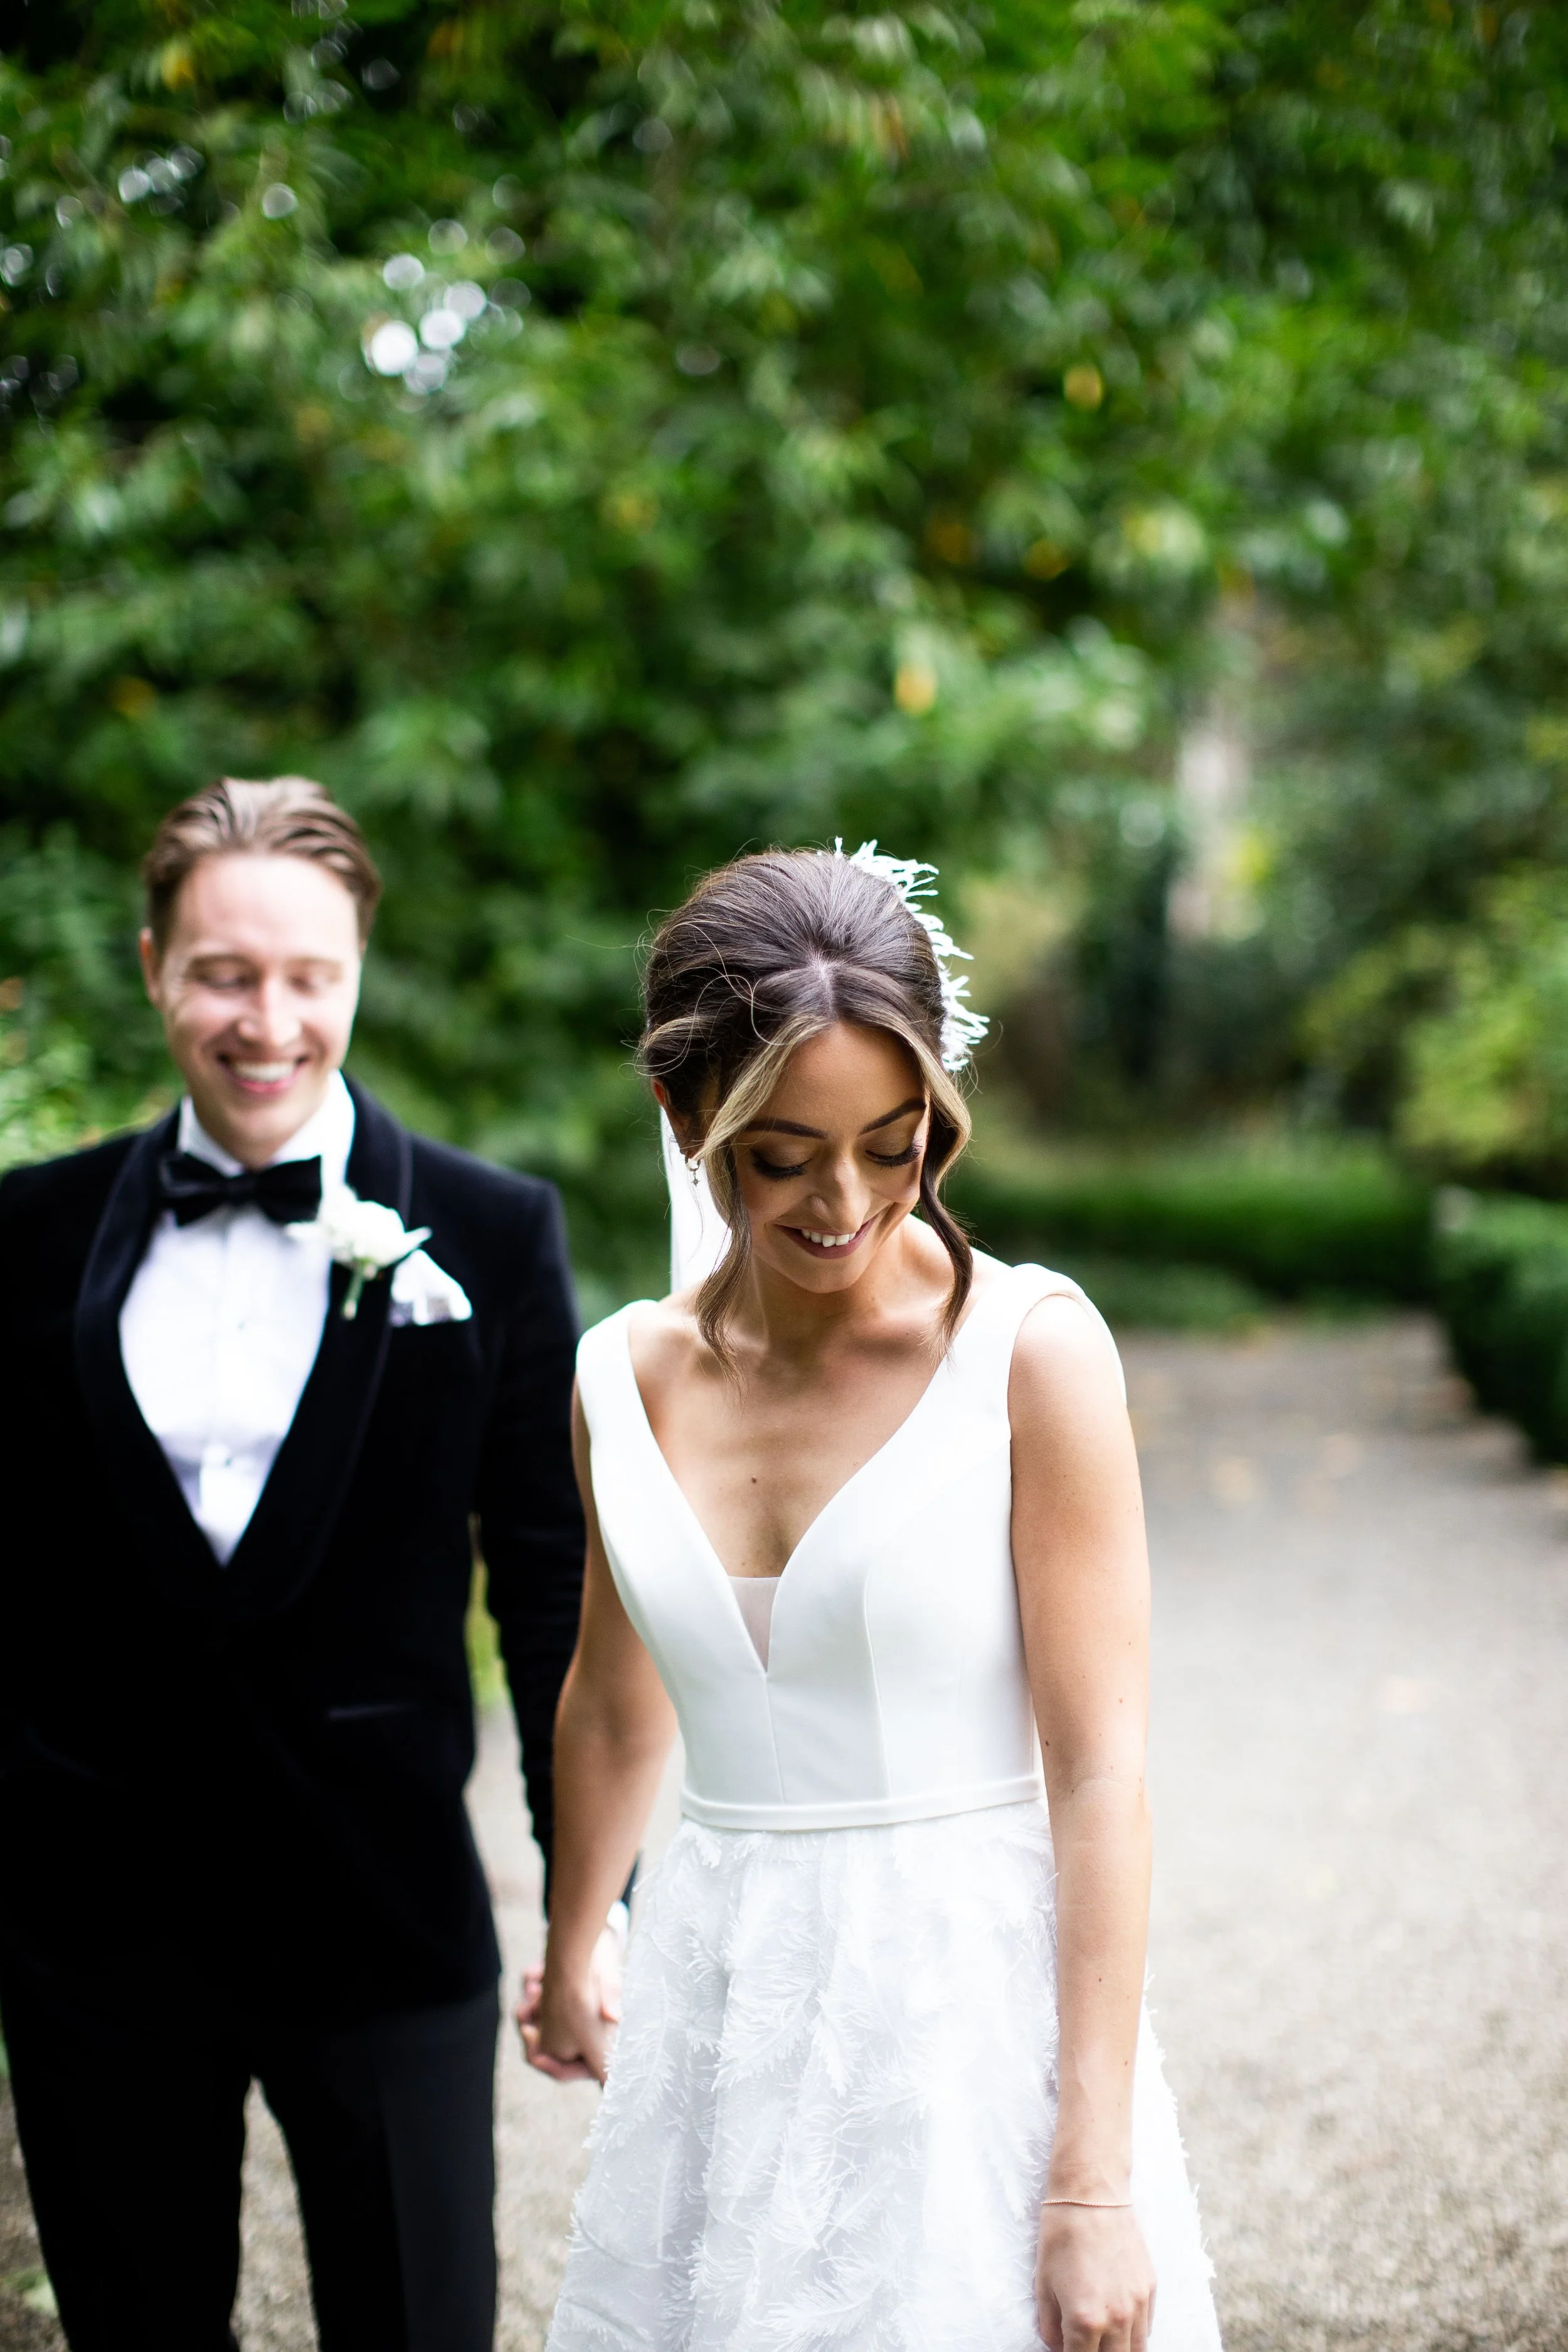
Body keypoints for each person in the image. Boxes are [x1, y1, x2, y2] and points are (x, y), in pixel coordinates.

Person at [523, 844, 1223, 2351]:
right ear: (683, 1115)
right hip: (716, 2010)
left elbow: (1100, 1772)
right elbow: (614, 1693)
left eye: (892, 1144)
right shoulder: (614, 1380)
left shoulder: (1030, 1353)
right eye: (782, 1154)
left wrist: (1089, 2183)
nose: (844, 1201)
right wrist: (577, 1939)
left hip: (962, 2022)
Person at [0, 776, 586, 2352]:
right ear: (151, 970)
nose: (267, 1021)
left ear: (356, 974)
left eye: (306, 977)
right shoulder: (24, 1238)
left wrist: (589, 1913)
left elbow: (548, 1591)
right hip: (95, 1937)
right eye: (222, 973)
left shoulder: (493, 1235)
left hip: (385, 1924)